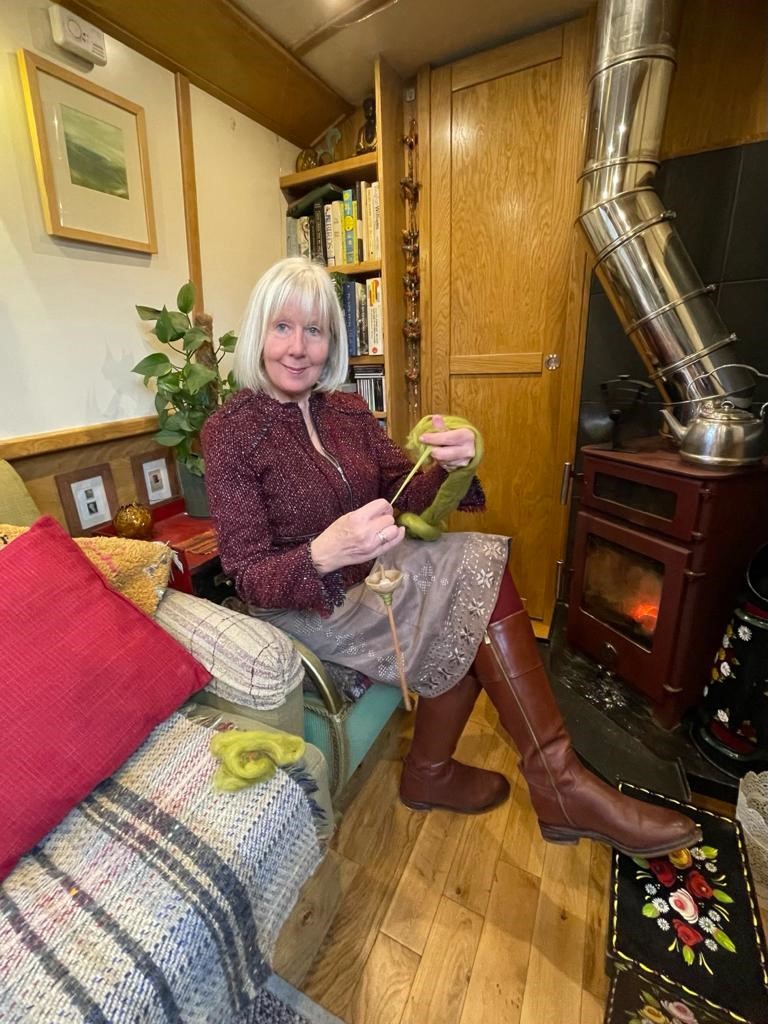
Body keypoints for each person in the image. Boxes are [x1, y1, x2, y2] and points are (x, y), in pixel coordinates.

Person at [202, 257, 701, 858]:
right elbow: (250, 574)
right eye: (283, 327)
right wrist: (322, 554)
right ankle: (540, 782)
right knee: (473, 597)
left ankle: (489, 776)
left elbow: (405, 490)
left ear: (332, 340)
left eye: (316, 330)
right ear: (258, 330)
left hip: (375, 577)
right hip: (310, 606)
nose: (299, 347)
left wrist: (453, 465)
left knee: (476, 569)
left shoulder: (347, 412)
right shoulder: (230, 431)